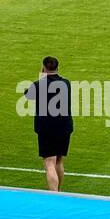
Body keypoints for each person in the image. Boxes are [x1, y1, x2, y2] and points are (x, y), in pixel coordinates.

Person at [23, 57, 72, 192]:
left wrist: (41, 77)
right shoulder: (66, 83)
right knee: (59, 161)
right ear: (58, 67)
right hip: (64, 126)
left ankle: (54, 195)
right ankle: (59, 192)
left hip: (46, 127)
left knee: (49, 162)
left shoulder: (39, 85)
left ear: (43, 68)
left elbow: (28, 95)